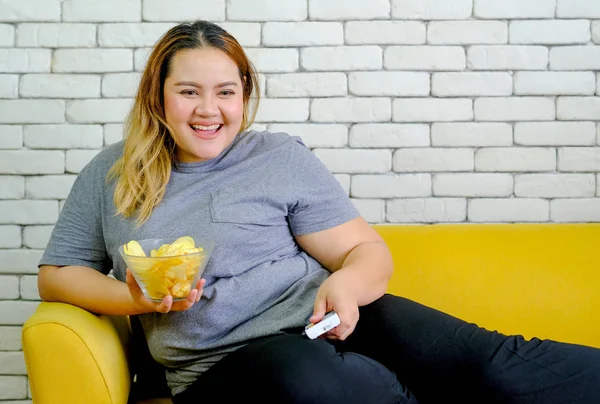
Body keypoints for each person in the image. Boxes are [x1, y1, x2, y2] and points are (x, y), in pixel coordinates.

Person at [38, 20, 600, 404]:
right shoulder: (112, 175)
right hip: (227, 364)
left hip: (337, 322)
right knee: (329, 384)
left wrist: (349, 287)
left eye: (226, 92)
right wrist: (132, 297)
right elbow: (56, 274)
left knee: (495, 365)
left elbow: (365, 251)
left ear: (243, 95)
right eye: (188, 92)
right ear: (158, 98)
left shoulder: (278, 157)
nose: (209, 110)